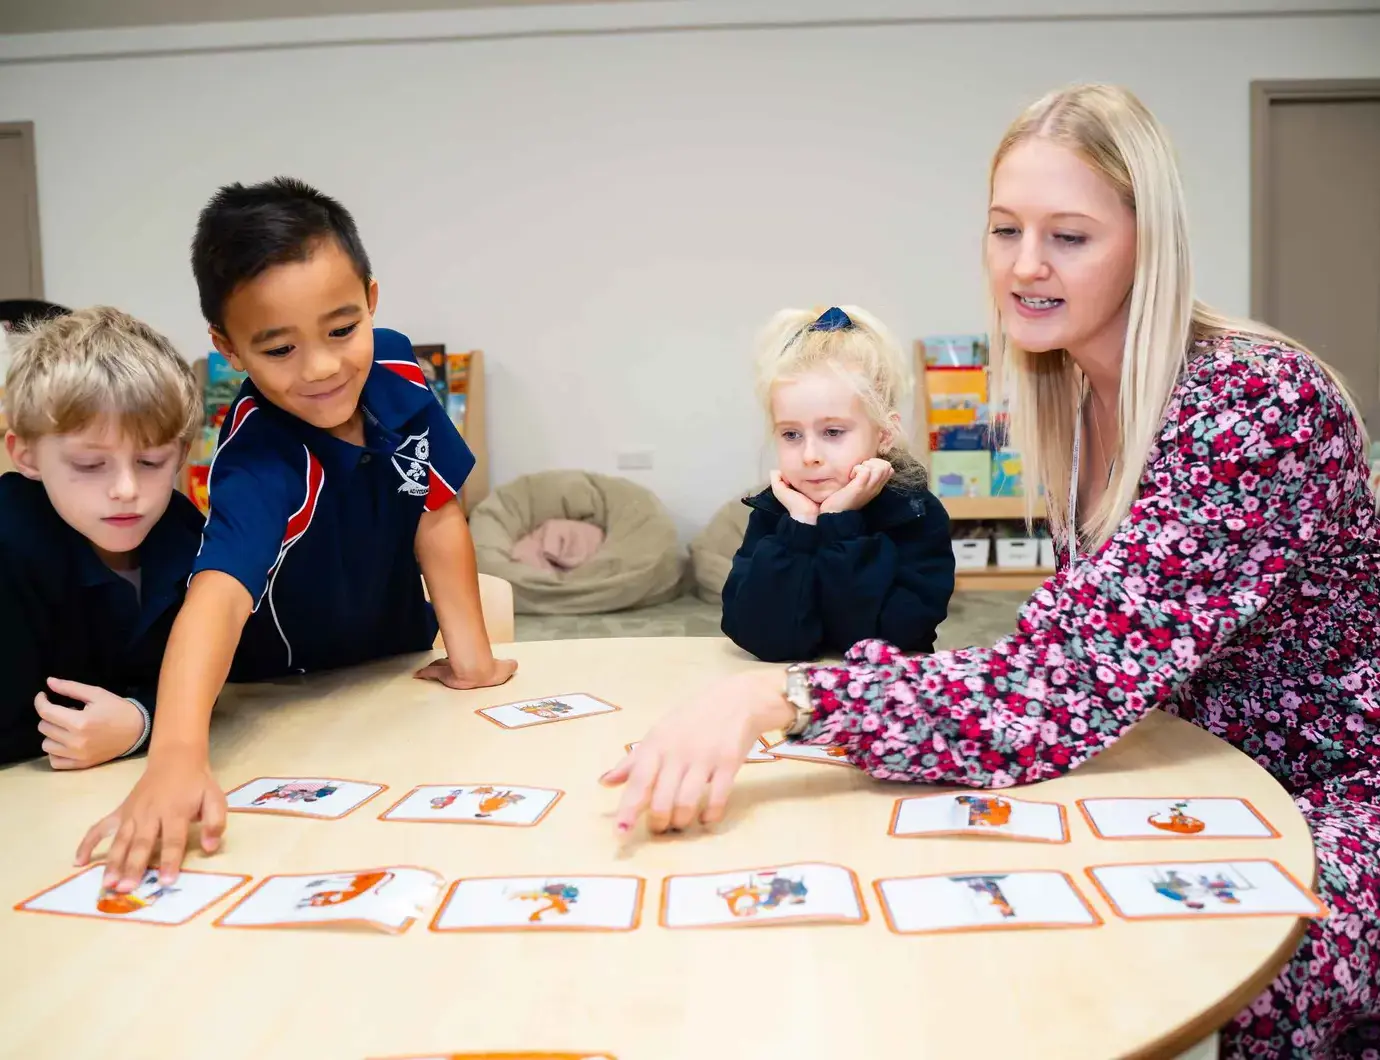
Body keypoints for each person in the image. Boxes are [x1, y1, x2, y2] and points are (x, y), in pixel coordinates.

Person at [603, 83, 1379, 1058]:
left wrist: (782, 699)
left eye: (1070, 236)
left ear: (1149, 242)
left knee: (1204, 979)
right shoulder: (1077, 396)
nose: (1026, 266)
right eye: (1005, 229)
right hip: (1186, 759)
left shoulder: (1252, 400)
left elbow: (1053, 686)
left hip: (1332, 794)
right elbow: (1069, 659)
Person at [77, 177, 517, 892]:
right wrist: (178, 759)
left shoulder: (401, 368)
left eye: (342, 330)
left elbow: (436, 507)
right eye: (279, 349)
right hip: (281, 696)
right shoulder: (259, 461)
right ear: (227, 347)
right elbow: (216, 599)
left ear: (371, 301)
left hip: (392, 670)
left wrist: (470, 658)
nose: (320, 369)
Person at [0, 306, 203, 769]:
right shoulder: (9, 546)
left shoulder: (184, 531)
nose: (127, 491)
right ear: (26, 456)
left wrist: (141, 721)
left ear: (181, 454)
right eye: (90, 466)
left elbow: (210, 674)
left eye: (151, 462)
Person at [720, 304, 953, 661]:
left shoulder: (915, 513)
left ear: (885, 434)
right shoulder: (778, 512)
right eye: (792, 434)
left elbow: (878, 644)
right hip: (785, 692)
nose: (809, 455)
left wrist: (840, 523)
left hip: (883, 699)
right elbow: (761, 638)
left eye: (832, 432)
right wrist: (800, 527)